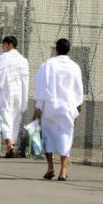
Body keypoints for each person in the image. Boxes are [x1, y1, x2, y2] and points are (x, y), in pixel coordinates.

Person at [33, 38, 83, 181]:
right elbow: (78, 90)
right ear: (69, 50)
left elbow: (41, 87)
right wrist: (78, 108)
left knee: (48, 137)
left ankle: (50, 167)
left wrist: (38, 107)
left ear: (56, 49)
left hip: (50, 107)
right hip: (67, 107)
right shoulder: (74, 67)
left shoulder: (47, 65)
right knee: (66, 137)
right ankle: (63, 171)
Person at [0, 35, 29, 158]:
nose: (2, 47)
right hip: (18, 94)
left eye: (4, 45)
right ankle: (12, 145)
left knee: (3, 118)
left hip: (5, 93)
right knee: (15, 120)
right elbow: (25, 81)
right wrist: (24, 98)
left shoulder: (3, 58)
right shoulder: (23, 60)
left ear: (10, 45)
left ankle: (9, 144)